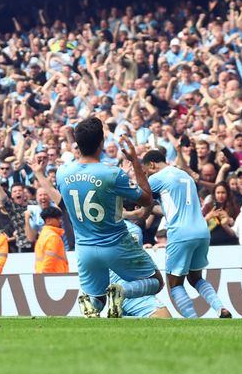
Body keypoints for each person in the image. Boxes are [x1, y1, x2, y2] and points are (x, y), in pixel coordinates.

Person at [54, 118, 163, 318]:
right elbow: (147, 199)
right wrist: (135, 162)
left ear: (77, 144)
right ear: (102, 143)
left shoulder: (62, 173)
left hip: (85, 248)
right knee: (156, 281)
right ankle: (122, 291)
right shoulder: (112, 174)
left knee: (98, 297)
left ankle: (91, 301)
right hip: (116, 244)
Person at [141, 150, 231, 318]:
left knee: (175, 283)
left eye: (146, 171)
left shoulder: (157, 178)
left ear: (152, 164)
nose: (146, 175)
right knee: (196, 278)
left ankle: (192, 319)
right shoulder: (185, 176)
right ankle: (221, 308)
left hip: (180, 233)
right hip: (202, 231)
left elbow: (139, 195)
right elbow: (171, 207)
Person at [34, 207, 68, 274]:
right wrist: (45, 275)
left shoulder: (43, 235)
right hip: (54, 277)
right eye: (58, 218)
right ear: (48, 220)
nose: (60, 221)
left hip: (43, 275)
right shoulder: (53, 237)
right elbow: (49, 258)